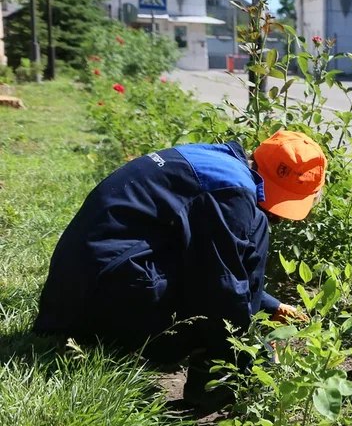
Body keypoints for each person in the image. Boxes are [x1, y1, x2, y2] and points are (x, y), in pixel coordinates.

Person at [33, 130, 326, 404]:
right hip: (104, 298)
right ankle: (215, 387)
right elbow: (222, 286)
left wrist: (268, 304)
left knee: (227, 284)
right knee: (229, 291)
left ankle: (104, 335)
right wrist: (249, 351)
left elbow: (205, 253)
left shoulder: (215, 162)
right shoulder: (233, 194)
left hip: (76, 292)